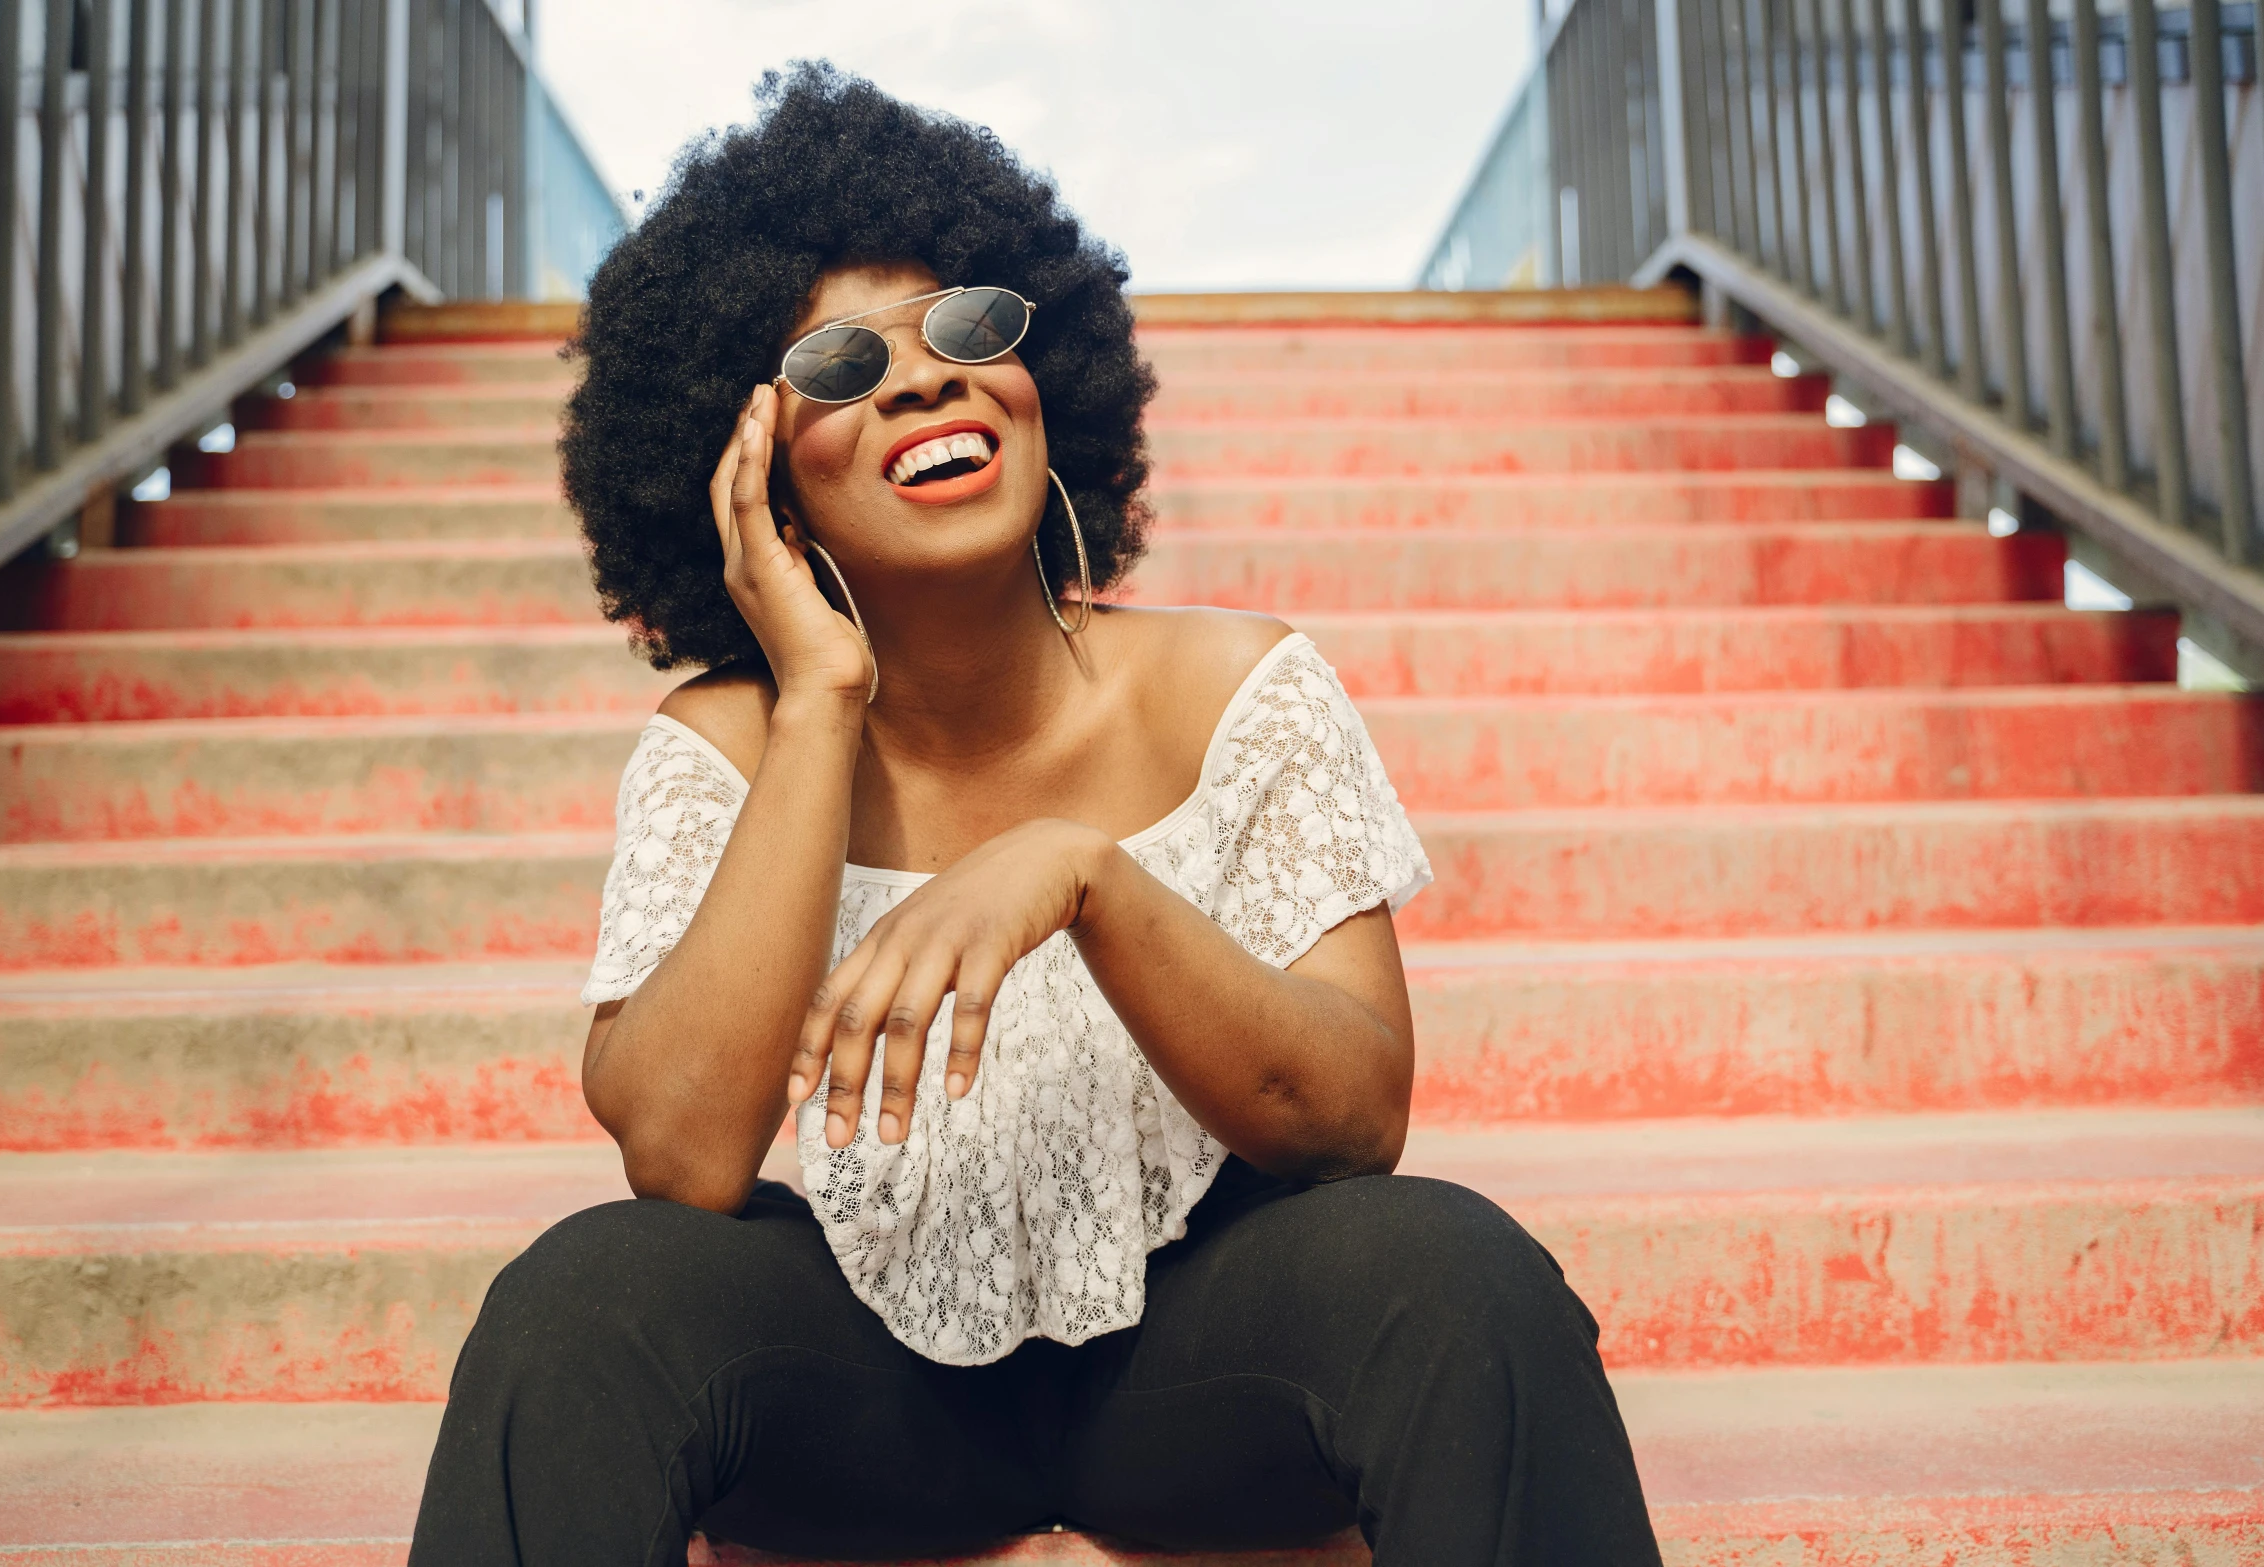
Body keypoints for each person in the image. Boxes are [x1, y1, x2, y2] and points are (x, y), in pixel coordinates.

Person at [410, 63, 1661, 1567]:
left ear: (1038, 373)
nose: (927, 375)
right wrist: (816, 695)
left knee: (1459, 1270)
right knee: (581, 1300)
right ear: (749, 473)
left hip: (1202, 1371)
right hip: (870, 1399)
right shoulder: (724, 746)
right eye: (839, 361)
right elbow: (682, 1160)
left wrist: (1080, 878)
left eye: (964, 328)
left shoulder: (1232, 687)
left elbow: (1349, 1116)